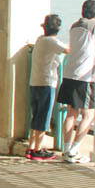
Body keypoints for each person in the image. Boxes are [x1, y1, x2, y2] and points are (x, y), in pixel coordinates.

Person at [59, 0, 95, 163]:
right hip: (85, 76)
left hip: (69, 72)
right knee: (89, 115)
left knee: (71, 114)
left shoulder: (74, 26)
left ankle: (67, 149)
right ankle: (74, 150)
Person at [26, 13, 66, 161]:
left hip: (35, 81)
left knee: (35, 116)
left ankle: (31, 147)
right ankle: (39, 149)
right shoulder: (52, 42)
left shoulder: (40, 40)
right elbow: (68, 50)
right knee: (44, 117)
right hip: (47, 82)